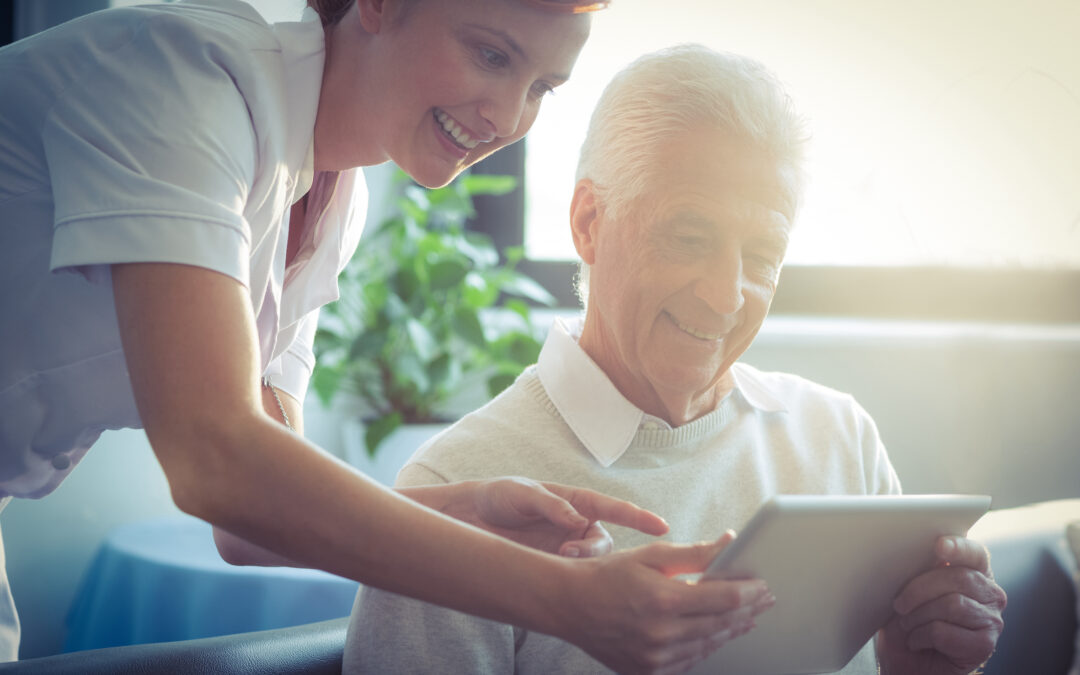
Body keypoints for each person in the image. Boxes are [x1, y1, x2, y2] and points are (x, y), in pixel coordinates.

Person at [0, 2, 761, 671]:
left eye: (539, 88)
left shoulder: (336, 196)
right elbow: (215, 461)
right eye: (491, 54)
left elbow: (247, 525)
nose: (506, 115)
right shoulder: (182, 78)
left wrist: (464, 509)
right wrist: (566, 600)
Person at [344, 44, 1007, 674]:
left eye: (761, 256)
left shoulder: (839, 438)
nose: (727, 294)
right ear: (588, 222)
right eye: (690, 237)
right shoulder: (458, 486)